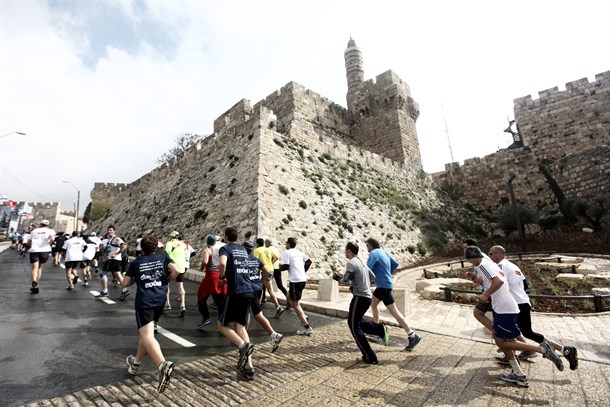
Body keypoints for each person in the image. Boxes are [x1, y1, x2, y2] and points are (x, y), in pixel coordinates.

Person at [465, 246, 565, 387]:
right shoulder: (488, 265)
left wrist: (486, 295)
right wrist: (474, 278)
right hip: (505, 307)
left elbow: (498, 281)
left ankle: (542, 349)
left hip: (504, 308)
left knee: (501, 341)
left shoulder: (483, 265)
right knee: (502, 339)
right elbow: (490, 281)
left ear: (472, 258)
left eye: (469, 260)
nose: (470, 263)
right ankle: (519, 374)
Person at [489, 245, 578, 370]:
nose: (490, 257)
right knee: (526, 332)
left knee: (507, 333)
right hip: (523, 302)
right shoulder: (513, 266)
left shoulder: (501, 266)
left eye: (491, 254)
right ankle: (564, 350)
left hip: (515, 305)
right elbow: (525, 284)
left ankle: (520, 356)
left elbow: (501, 285)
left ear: (498, 254)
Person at [122, 235, 180, 394]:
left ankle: (162, 365)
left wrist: (137, 279)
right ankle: (135, 363)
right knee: (146, 333)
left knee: (147, 335)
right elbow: (176, 270)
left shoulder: (136, 263)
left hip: (145, 301)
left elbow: (125, 283)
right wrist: (167, 280)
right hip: (160, 299)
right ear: (156, 247)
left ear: (141, 248)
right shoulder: (163, 258)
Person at [334, 241, 386, 364]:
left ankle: (369, 356)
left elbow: (345, 281)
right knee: (354, 322)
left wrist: (337, 277)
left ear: (349, 251)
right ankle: (378, 329)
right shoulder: (361, 262)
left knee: (353, 326)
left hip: (360, 297)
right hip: (366, 297)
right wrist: (360, 283)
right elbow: (373, 277)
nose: (344, 252)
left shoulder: (351, 263)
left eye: (345, 250)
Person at [366, 237, 421, 351]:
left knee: (394, 311)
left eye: (367, 246)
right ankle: (376, 329)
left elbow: (367, 269)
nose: (367, 248)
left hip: (383, 286)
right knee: (373, 304)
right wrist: (387, 273)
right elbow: (395, 263)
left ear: (370, 246)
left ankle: (412, 334)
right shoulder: (383, 252)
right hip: (385, 285)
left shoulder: (374, 253)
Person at [217, 227, 256, 381]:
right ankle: (249, 366)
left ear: (226, 237)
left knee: (221, 325)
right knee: (240, 326)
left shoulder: (225, 249)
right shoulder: (242, 249)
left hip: (236, 292)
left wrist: (222, 276)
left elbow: (222, 264)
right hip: (248, 290)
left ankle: (242, 346)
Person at [243, 241, 283, 353]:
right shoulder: (256, 260)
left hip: (247, 289)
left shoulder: (243, 261)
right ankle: (274, 334)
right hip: (257, 288)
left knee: (246, 313)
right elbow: (268, 273)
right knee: (258, 314)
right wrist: (260, 279)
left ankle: (244, 339)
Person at [280, 237, 313, 335]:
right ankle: (304, 316)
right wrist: (303, 271)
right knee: (289, 298)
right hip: (301, 279)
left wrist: (278, 267)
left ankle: (306, 327)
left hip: (296, 281)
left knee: (295, 304)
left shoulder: (287, 253)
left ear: (289, 244)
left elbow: (286, 266)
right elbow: (309, 261)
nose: (285, 244)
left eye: (286, 243)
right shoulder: (299, 253)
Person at [196, 235, 227, 328]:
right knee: (219, 299)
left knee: (201, 297)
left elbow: (205, 262)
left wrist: (202, 266)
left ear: (208, 242)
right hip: (220, 275)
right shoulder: (221, 250)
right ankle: (223, 321)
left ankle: (206, 318)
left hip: (211, 277)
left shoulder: (208, 250)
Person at [253, 238, 284, 318]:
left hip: (264, 271)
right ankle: (276, 307)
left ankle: (277, 307)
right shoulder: (268, 249)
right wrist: (270, 263)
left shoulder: (257, 250)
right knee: (265, 288)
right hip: (271, 269)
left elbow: (254, 261)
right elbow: (276, 257)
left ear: (257, 244)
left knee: (264, 289)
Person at [97, 226, 130, 300]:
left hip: (113, 259)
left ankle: (105, 291)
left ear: (114, 231)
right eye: (108, 230)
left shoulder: (116, 238)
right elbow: (111, 249)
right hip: (114, 259)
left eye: (111, 230)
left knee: (102, 273)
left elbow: (124, 246)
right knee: (118, 275)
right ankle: (125, 290)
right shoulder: (110, 240)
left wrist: (116, 254)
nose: (109, 231)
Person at [28, 220, 56, 294]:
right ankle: (36, 283)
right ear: (48, 225)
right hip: (44, 251)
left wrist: (31, 246)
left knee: (34, 268)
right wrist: (48, 244)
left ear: (40, 224)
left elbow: (29, 242)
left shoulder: (34, 231)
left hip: (34, 251)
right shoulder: (51, 231)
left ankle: (34, 282)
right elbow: (53, 239)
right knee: (40, 268)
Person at [165, 231, 188, 316]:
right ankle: (182, 305)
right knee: (180, 286)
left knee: (166, 284)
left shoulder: (169, 243)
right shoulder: (183, 244)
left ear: (171, 237)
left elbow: (167, 253)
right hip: (181, 267)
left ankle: (167, 304)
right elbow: (186, 256)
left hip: (171, 266)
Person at [265, 238, 289, 310]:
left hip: (271, 269)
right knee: (280, 285)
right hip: (277, 269)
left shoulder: (268, 249)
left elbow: (274, 258)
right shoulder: (276, 249)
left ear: (267, 243)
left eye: (265, 243)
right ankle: (289, 301)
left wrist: (270, 263)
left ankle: (262, 300)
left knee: (265, 284)